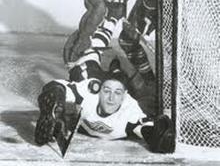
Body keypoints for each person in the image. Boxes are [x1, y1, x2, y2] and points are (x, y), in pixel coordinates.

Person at [35, 53, 175, 153]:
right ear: (100, 90)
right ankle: (97, 53)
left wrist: (159, 138)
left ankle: (116, 68)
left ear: (124, 97)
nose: (111, 98)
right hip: (82, 118)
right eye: (106, 91)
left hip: (90, 121)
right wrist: (55, 102)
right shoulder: (90, 92)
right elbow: (58, 85)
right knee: (81, 71)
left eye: (117, 93)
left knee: (142, 95)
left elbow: (145, 128)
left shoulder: (130, 110)